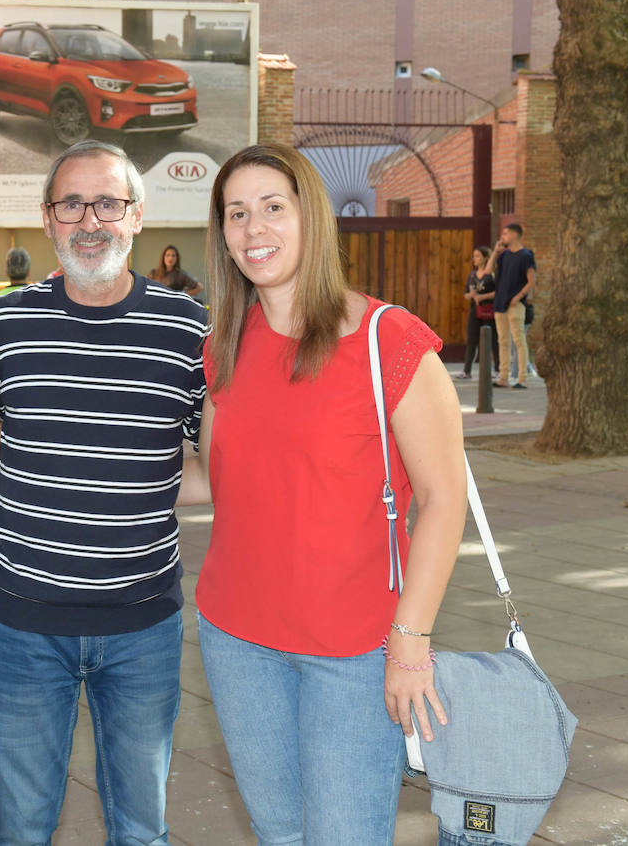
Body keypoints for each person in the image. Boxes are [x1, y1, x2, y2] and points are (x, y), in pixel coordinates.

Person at [180, 144, 466, 844]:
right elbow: (222, 480)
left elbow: (442, 500)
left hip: (354, 651)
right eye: (236, 214)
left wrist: (410, 643)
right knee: (279, 833)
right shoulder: (224, 346)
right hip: (237, 638)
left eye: (273, 208)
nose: (254, 230)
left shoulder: (387, 340)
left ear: (312, 216)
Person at [0, 141, 209, 845]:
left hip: (142, 625)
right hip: (23, 624)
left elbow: (221, 463)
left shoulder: (187, 329)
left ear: (137, 217)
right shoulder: (4, 324)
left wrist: (136, 490)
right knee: (21, 829)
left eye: (108, 202)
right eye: (72, 203)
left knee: (141, 830)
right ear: (47, 219)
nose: (90, 219)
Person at [485, 222, 537, 389]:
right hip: (500, 304)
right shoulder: (504, 256)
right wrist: (495, 251)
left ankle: (522, 378)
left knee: (519, 341)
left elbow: (532, 281)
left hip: (515, 304)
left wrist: (519, 297)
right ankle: (503, 377)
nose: (503, 236)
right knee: (503, 341)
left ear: (514, 235)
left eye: (506, 233)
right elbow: (487, 271)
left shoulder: (526, 255)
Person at [458, 245, 498, 379]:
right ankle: (466, 371)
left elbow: (498, 292)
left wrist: (483, 297)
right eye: (474, 256)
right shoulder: (471, 275)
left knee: (493, 340)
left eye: (477, 256)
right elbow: (466, 295)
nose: (474, 258)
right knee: (471, 340)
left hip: (489, 310)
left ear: (485, 257)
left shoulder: (492, 274)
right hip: (475, 310)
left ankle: (497, 369)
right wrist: (472, 295)